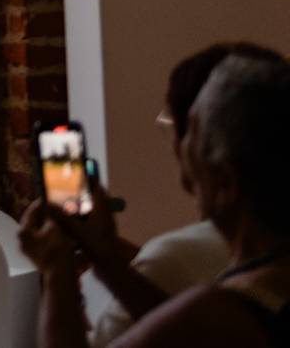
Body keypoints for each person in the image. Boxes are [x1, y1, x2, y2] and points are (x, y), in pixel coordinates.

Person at [22, 53, 290, 347]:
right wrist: (108, 260)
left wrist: (55, 271)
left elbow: (194, 328)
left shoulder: (220, 314)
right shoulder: (267, 284)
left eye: (193, 132)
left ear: (225, 182)